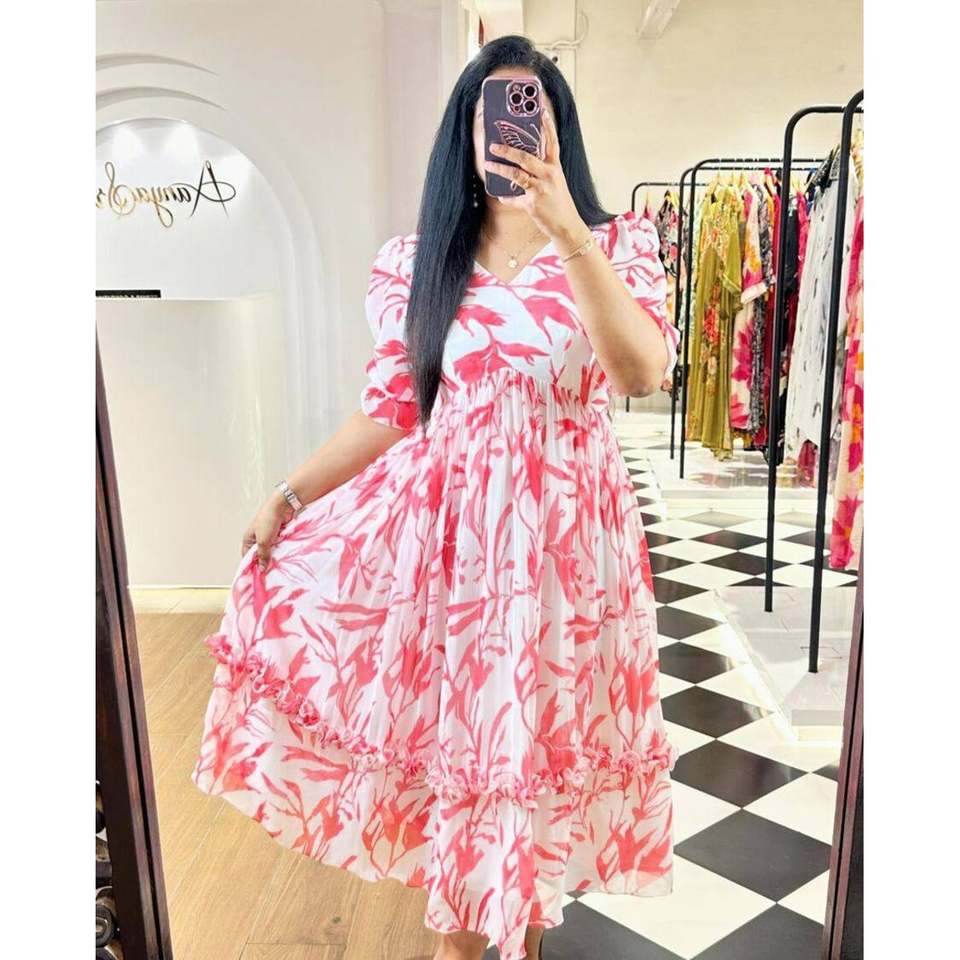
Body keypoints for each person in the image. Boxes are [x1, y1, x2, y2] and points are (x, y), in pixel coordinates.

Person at [192, 34, 679, 960]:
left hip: (569, 554)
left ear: (560, 131)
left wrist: (570, 233)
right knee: (466, 756)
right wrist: (290, 496)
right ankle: (461, 943)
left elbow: (640, 373)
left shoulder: (620, 244)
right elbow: (391, 410)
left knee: (536, 756)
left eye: (532, 113)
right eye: (493, 115)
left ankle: (520, 939)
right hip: (455, 550)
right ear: (465, 131)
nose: (511, 134)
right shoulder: (420, 260)